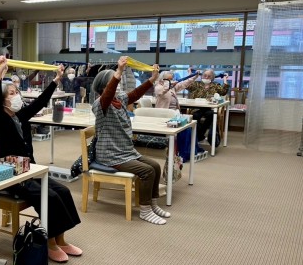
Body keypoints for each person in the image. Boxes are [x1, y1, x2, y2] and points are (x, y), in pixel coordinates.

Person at [0, 56, 82, 263]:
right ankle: (50, 243)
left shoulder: (19, 116)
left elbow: (40, 101)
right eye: (11, 93)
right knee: (49, 196)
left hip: (29, 170)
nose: (16, 96)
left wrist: (56, 80)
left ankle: (61, 239)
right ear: (3, 100)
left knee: (63, 191)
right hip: (11, 175)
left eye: (17, 92)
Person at [92, 57, 168, 225]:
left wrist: (152, 79)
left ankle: (152, 204)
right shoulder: (100, 104)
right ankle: (145, 210)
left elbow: (135, 94)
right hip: (111, 155)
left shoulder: (119, 99)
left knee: (155, 166)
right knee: (147, 171)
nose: (118, 84)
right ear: (104, 86)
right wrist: (119, 71)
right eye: (114, 81)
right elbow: (108, 94)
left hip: (125, 151)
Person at [154, 69, 202, 158]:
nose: (171, 81)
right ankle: (183, 152)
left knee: (189, 128)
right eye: (168, 79)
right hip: (164, 115)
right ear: (162, 79)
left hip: (175, 114)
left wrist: (194, 76)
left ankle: (191, 151)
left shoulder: (172, 87)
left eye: (171, 79)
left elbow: (184, 84)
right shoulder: (158, 87)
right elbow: (162, 91)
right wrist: (169, 84)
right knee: (184, 130)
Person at [185, 68, 230, 145]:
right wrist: (190, 74)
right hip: (196, 108)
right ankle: (200, 135)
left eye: (209, 76)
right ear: (201, 76)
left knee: (212, 115)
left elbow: (223, 92)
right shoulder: (196, 84)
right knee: (195, 116)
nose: (206, 77)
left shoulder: (215, 85)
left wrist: (225, 79)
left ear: (212, 78)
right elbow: (187, 86)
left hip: (209, 108)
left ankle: (200, 135)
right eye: (205, 75)